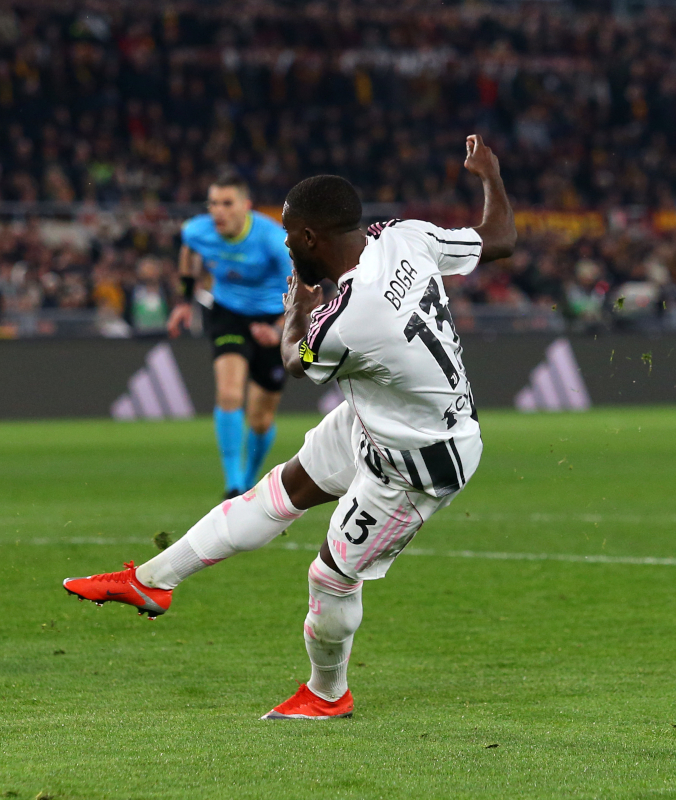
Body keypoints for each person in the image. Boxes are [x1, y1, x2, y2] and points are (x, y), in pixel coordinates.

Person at [64, 135, 515, 720]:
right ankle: (152, 580)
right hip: (383, 417)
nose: (281, 240)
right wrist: (491, 174)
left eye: (287, 231)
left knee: (331, 577)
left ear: (309, 238)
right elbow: (499, 239)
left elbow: (293, 359)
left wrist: (297, 307)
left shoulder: (349, 320)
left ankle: (328, 695)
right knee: (279, 491)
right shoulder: (405, 236)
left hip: (419, 462)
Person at [168, 170, 295, 499]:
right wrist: (184, 300)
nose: (217, 211)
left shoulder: (273, 239)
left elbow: (301, 288)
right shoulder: (197, 231)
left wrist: (279, 328)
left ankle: (250, 480)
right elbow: (188, 252)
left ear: (246, 206)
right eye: (213, 203)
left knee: (261, 418)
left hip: (272, 316)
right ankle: (233, 484)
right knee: (228, 393)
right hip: (227, 313)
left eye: (226, 203)